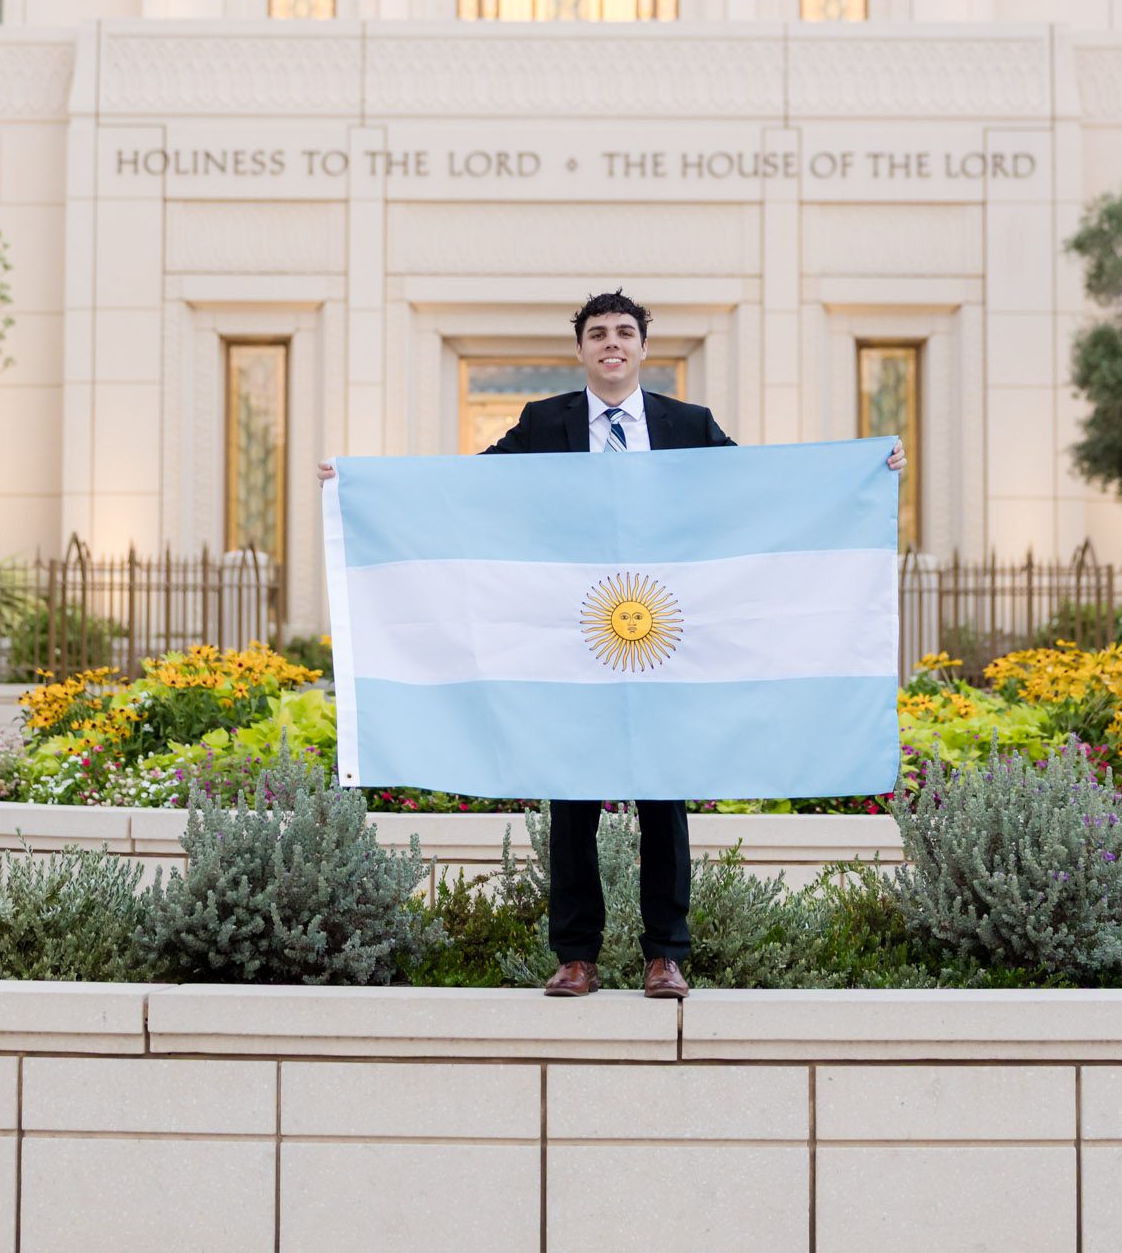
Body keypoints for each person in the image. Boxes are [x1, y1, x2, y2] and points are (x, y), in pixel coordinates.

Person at [320, 286, 906, 1001]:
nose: (611, 342)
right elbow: (470, 487)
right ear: (580, 349)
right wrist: (363, 487)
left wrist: (862, 476)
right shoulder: (545, 421)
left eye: (623, 331)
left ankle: (665, 955)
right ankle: (576, 957)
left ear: (642, 347)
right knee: (572, 802)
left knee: (665, 801)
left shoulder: (688, 424)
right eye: (597, 332)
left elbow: (760, 491)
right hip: (575, 645)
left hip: (666, 641)